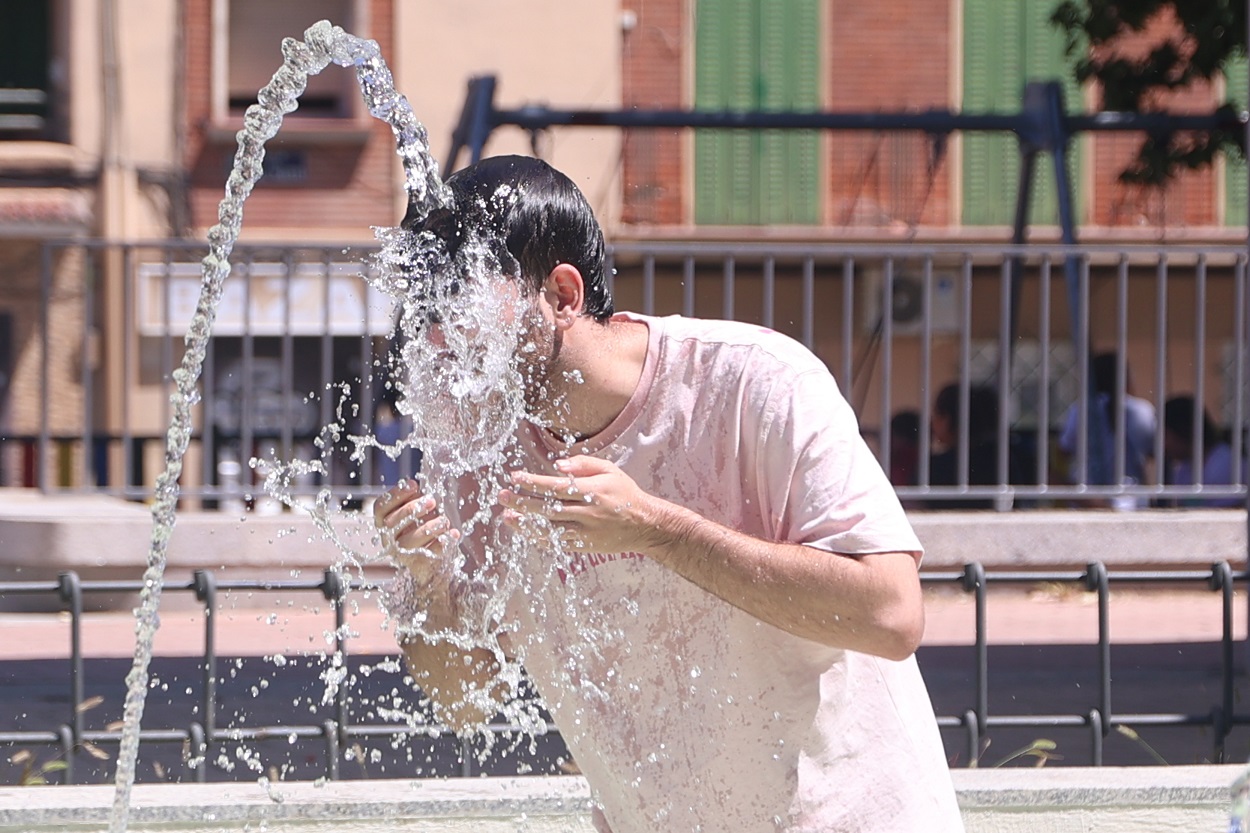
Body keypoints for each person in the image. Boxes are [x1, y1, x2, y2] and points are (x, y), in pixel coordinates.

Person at [372, 156, 963, 832]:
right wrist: (432, 588)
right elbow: (463, 702)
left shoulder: (757, 383)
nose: (440, 336)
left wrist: (656, 529)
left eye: (462, 298)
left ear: (563, 296)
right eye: (429, 307)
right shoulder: (478, 447)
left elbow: (890, 613)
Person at [1057, 352, 1156, 502]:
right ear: (1126, 378)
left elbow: (1064, 451)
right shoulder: (1142, 409)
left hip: (1089, 497)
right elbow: (1154, 451)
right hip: (1133, 498)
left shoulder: (1081, 410)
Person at [926, 383, 1033, 510]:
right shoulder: (1011, 457)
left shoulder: (935, 467)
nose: (932, 422)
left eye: (936, 414)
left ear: (948, 419)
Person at [1163, 395, 1245, 508]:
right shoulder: (1184, 467)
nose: (1163, 444)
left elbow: (1224, 515)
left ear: (1181, 431)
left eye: (1166, 435)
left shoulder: (1225, 464)